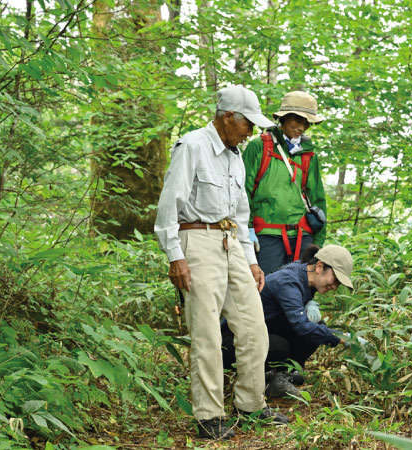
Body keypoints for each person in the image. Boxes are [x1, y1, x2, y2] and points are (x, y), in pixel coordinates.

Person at [154, 85, 288, 440]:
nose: (252, 132)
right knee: (208, 334)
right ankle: (208, 417)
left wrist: (251, 259)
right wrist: (175, 256)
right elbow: (169, 205)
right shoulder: (193, 146)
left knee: (253, 327)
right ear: (228, 117)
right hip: (196, 241)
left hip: (231, 244)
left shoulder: (234, 156)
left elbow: (240, 214)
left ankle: (251, 404)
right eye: (247, 124)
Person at [221, 244, 361, 398]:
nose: (334, 286)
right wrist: (342, 337)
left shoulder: (304, 273)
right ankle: (268, 378)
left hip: (264, 330)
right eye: (335, 279)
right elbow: (301, 326)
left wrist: (308, 302)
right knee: (281, 345)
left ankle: (281, 374)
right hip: (232, 343)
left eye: (338, 284)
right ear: (319, 266)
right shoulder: (289, 281)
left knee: (317, 328)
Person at [243, 91, 328, 276]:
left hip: (302, 235)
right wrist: (246, 230)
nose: (302, 127)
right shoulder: (259, 147)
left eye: (307, 122)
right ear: (284, 118)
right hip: (266, 235)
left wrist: (318, 241)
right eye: (297, 120)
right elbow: (242, 191)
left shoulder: (308, 154)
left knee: (299, 291)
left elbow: (317, 199)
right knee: (265, 290)